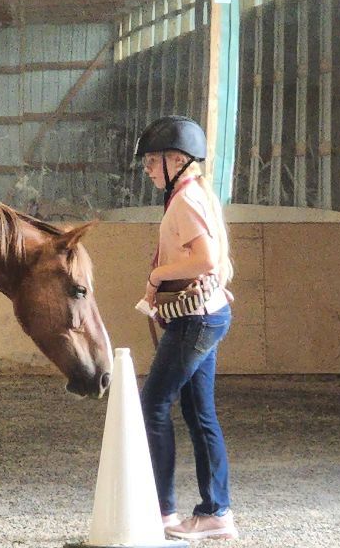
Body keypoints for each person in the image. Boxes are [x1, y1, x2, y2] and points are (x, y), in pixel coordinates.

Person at [134, 115, 238, 541]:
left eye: (151, 162)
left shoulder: (185, 201)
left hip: (195, 320)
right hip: (206, 314)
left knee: (153, 404)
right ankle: (215, 511)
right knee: (199, 414)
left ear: (175, 159)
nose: (147, 169)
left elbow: (206, 261)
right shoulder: (193, 195)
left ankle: (163, 511)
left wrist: (158, 277)